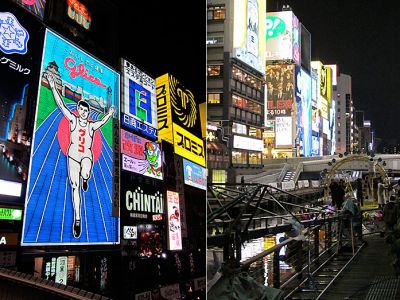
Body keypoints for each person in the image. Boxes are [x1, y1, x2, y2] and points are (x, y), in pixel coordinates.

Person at [46, 72, 115, 238]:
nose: (83, 112)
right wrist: (53, 86)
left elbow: (103, 121)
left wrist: (110, 113)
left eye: (86, 110)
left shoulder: (91, 125)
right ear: (78, 110)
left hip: (86, 156)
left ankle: (86, 177)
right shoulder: (73, 120)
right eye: (82, 109)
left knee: (86, 172)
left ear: (88, 112)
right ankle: (77, 219)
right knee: (74, 187)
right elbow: (61, 105)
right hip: (73, 156)